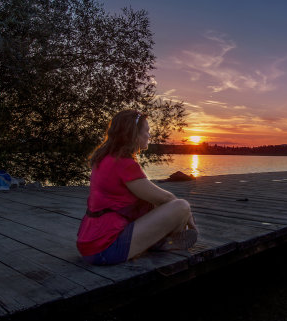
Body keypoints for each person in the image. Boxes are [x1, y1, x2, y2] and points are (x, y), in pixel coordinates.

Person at [77, 110, 197, 265]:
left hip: (89, 244)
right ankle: (160, 241)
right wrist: (187, 215)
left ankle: (159, 241)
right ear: (133, 134)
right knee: (181, 206)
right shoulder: (124, 164)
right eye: (146, 131)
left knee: (151, 204)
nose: (149, 135)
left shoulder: (103, 159)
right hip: (106, 249)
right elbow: (166, 199)